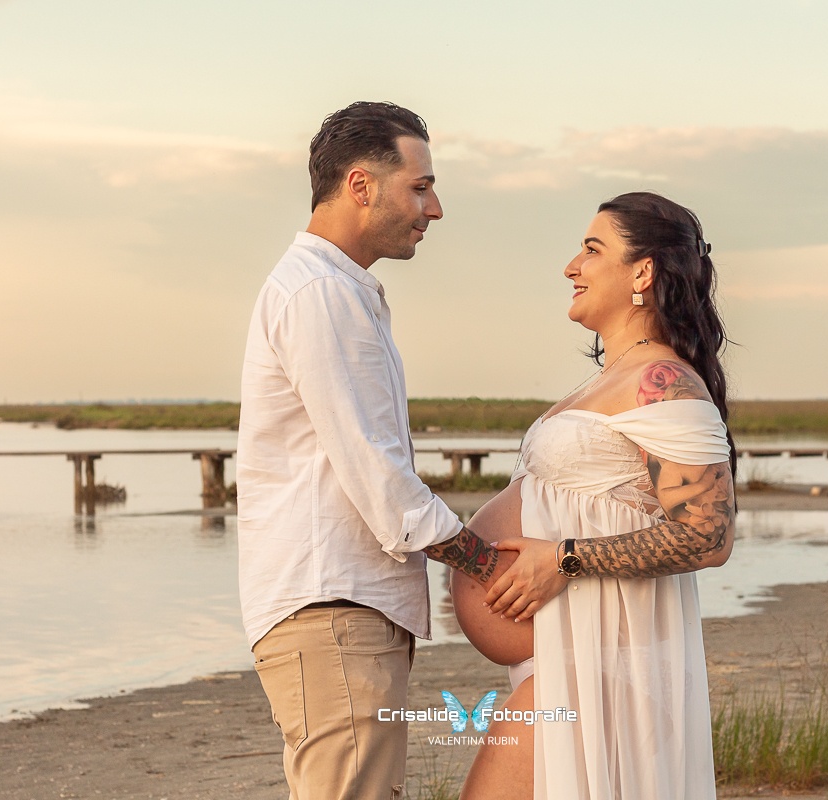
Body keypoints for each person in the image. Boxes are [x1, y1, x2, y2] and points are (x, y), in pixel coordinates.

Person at [237, 101, 510, 800]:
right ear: (361, 185)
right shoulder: (323, 294)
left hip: (343, 606)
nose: (435, 207)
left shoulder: (336, 289)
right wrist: (490, 566)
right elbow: (380, 479)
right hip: (333, 606)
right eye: (420, 186)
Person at [449, 191, 737, 799]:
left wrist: (564, 559)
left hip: (597, 666)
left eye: (591, 248)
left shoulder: (662, 383)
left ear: (643, 271)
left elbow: (708, 536)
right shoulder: (610, 381)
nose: (570, 266)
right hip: (564, 654)